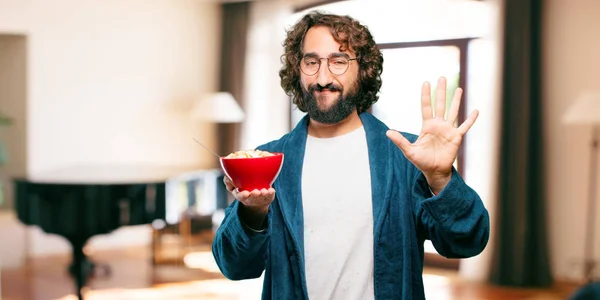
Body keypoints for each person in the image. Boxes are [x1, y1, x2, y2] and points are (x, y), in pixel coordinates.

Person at [212, 11, 490, 300]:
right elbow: (234, 266)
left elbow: (467, 242)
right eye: (311, 62)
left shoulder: (405, 157)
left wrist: (442, 180)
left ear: (363, 70)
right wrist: (253, 212)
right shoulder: (269, 161)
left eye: (338, 61)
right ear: (298, 70)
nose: (322, 77)